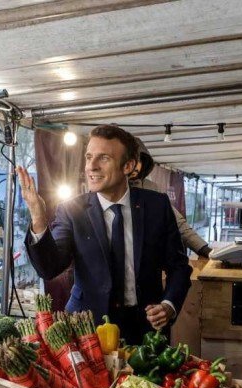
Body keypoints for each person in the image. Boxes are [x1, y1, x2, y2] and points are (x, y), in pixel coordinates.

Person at [20, 124, 192, 344]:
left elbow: (178, 266)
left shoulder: (157, 206)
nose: (92, 166)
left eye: (104, 158)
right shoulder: (72, 210)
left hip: (145, 329)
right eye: (89, 157)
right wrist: (37, 216)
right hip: (87, 327)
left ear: (128, 166)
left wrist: (168, 306)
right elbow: (49, 267)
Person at [129, 140, 212, 258]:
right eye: (130, 159)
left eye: (140, 160)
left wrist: (203, 248)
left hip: (148, 261)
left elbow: (176, 220)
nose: (135, 165)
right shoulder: (105, 190)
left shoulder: (151, 188)